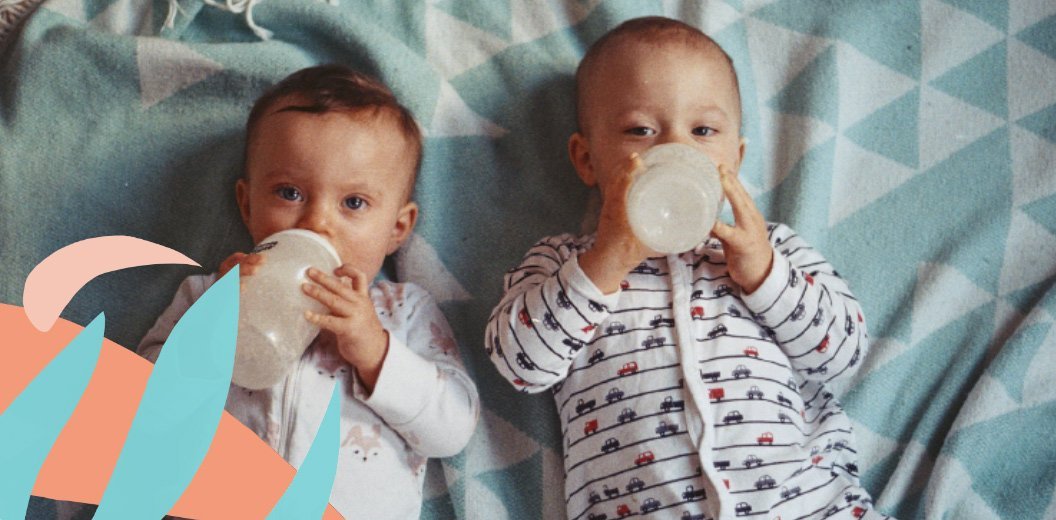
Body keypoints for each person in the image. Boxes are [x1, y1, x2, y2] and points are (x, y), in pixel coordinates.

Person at [485, 17, 885, 520]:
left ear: (735, 158)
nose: (675, 150)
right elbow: (520, 365)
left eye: (703, 131)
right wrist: (604, 262)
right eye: (640, 130)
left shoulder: (772, 250)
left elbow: (843, 355)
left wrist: (764, 275)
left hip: (807, 506)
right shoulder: (561, 264)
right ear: (587, 160)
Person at [138, 64, 479, 520]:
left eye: (353, 202)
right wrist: (210, 328)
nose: (317, 222)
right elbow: (139, 401)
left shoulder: (404, 312)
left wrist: (375, 353)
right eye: (289, 193)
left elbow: (453, 429)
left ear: (397, 229)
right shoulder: (211, 293)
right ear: (248, 204)